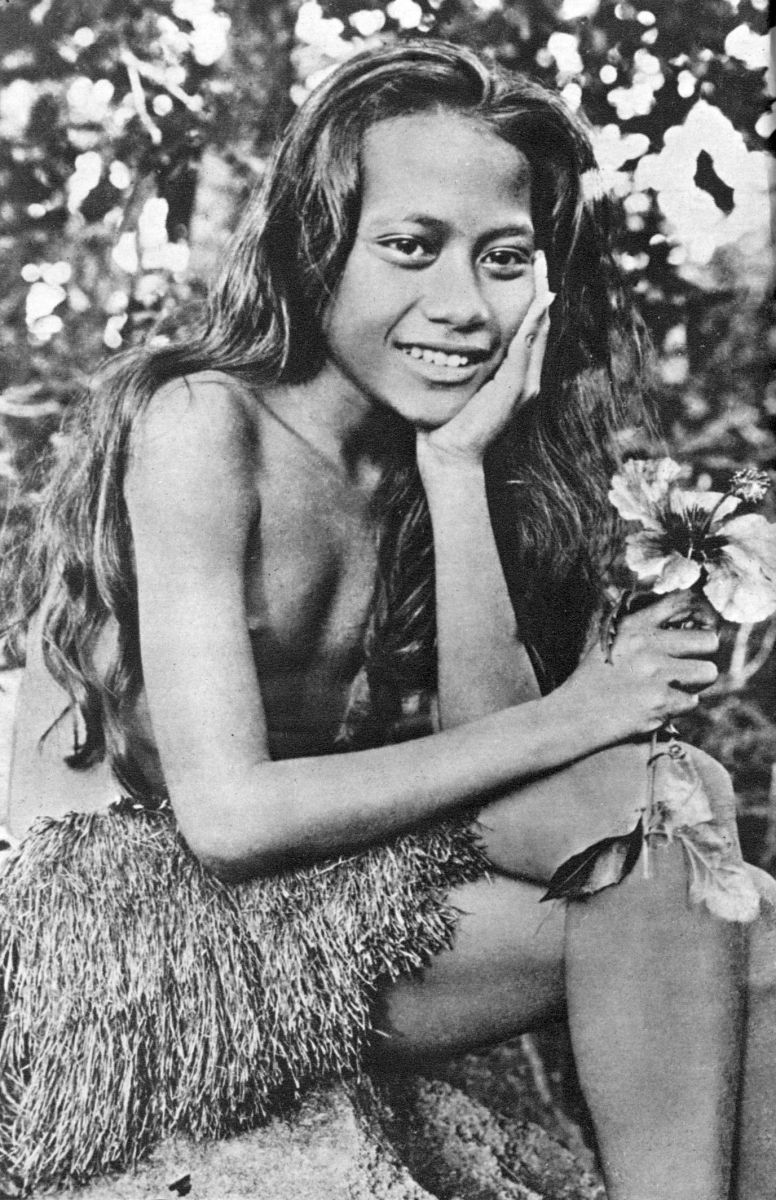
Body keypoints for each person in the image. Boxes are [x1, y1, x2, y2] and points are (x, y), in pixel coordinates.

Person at [2, 38, 774, 1200]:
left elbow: (517, 785)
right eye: (410, 247)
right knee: (706, 905)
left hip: (303, 901)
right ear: (317, 248)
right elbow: (227, 819)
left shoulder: (442, 450)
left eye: (503, 258)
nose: (460, 306)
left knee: (697, 836)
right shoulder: (202, 424)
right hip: (121, 932)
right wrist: (589, 709)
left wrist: (459, 468)